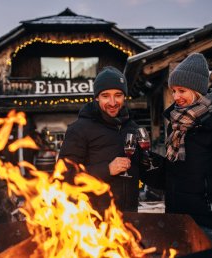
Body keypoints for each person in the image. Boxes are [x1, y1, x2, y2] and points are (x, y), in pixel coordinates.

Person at [147, 53, 212, 238]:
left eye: (182, 90)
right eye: (173, 90)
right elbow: (172, 174)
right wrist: (144, 159)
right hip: (177, 217)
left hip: (209, 221)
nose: (176, 96)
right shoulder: (176, 124)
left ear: (197, 90)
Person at [58, 66, 152, 213]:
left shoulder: (132, 127)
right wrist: (106, 169)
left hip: (129, 217)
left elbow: (141, 169)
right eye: (106, 96)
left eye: (118, 95)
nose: (113, 102)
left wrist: (147, 159)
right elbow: (64, 175)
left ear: (124, 96)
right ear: (96, 97)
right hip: (95, 220)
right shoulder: (79, 129)